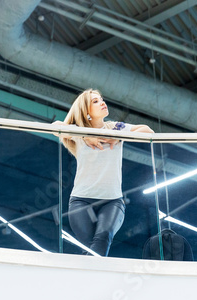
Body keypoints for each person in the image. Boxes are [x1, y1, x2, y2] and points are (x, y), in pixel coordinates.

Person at [53, 88, 154, 256]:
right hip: (81, 201)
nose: (102, 102)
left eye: (101, 99)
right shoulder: (78, 132)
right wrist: (85, 135)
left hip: (112, 201)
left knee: (103, 237)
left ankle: (85, 278)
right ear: (86, 112)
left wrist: (119, 136)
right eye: (95, 101)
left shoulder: (115, 127)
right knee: (93, 249)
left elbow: (149, 131)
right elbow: (56, 127)